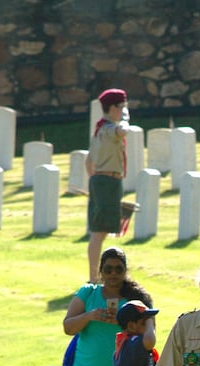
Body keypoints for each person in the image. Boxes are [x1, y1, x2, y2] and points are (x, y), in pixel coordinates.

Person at [86, 88, 129, 284]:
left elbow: (88, 162)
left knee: (99, 231)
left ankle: (96, 276)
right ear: (112, 107)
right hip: (108, 181)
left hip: (101, 180)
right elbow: (121, 131)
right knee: (99, 231)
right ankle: (94, 278)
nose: (122, 111)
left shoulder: (98, 130)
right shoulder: (110, 128)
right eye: (121, 107)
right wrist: (126, 123)